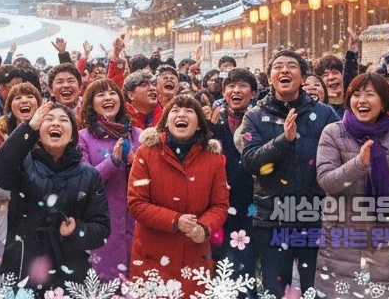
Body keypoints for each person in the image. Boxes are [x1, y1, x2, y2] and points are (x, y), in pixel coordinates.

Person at [239, 50, 338, 297]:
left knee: (318, 290)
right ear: (270, 77)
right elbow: (251, 162)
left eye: (292, 66)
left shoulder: (324, 114)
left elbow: (340, 154)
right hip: (273, 220)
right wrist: (284, 140)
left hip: (314, 217)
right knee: (276, 291)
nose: (284, 70)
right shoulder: (255, 115)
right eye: (278, 67)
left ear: (303, 78)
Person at [0, 100, 110, 295]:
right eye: (48, 119)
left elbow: (102, 229)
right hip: (23, 266)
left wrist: (77, 230)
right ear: (39, 131)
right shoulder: (22, 163)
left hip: (70, 272)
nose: (55, 123)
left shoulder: (89, 175)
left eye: (63, 120)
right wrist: (28, 128)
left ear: (72, 135)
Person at [314, 72, 389, 295]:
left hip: (384, 236)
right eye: (356, 94)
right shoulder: (333, 133)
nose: (362, 101)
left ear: (383, 102)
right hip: (342, 235)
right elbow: (327, 181)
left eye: (370, 94)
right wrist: (359, 163)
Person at [127, 95, 229, 296]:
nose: (181, 114)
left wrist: (204, 227)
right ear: (165, 122)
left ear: (199, 124)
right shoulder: (145, 154)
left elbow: (220, 205)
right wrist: (175, 220)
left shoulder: (214, 160)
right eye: (175, 110)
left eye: (189, 111)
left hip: (194, 256)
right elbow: (136, 203)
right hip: (152, 257)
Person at [76, 78, 141, 281]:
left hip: (135, 224)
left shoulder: (138, 134)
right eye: (101, 94)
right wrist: (113, 162)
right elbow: (85, 181)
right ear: (90, 103)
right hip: (101, 225)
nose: (108, 98)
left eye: (112, 93)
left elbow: (152, 179)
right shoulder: (82, 137)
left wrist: (134, 164)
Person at [0, 82, 43, 269]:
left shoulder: (51, 133)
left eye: (30, 96)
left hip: (41, 217)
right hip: (5, 218)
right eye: (17, 97)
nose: (24, 100)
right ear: (9, 108)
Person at [210, 69, 259, 287]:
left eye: (242, 85)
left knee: (247, 264)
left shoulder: (261, 123)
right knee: (220, 264)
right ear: (223, 91)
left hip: (253, 205)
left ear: (254, 93)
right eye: (231, 86)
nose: (236, 90)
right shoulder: (213, 125)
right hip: (220, 205)